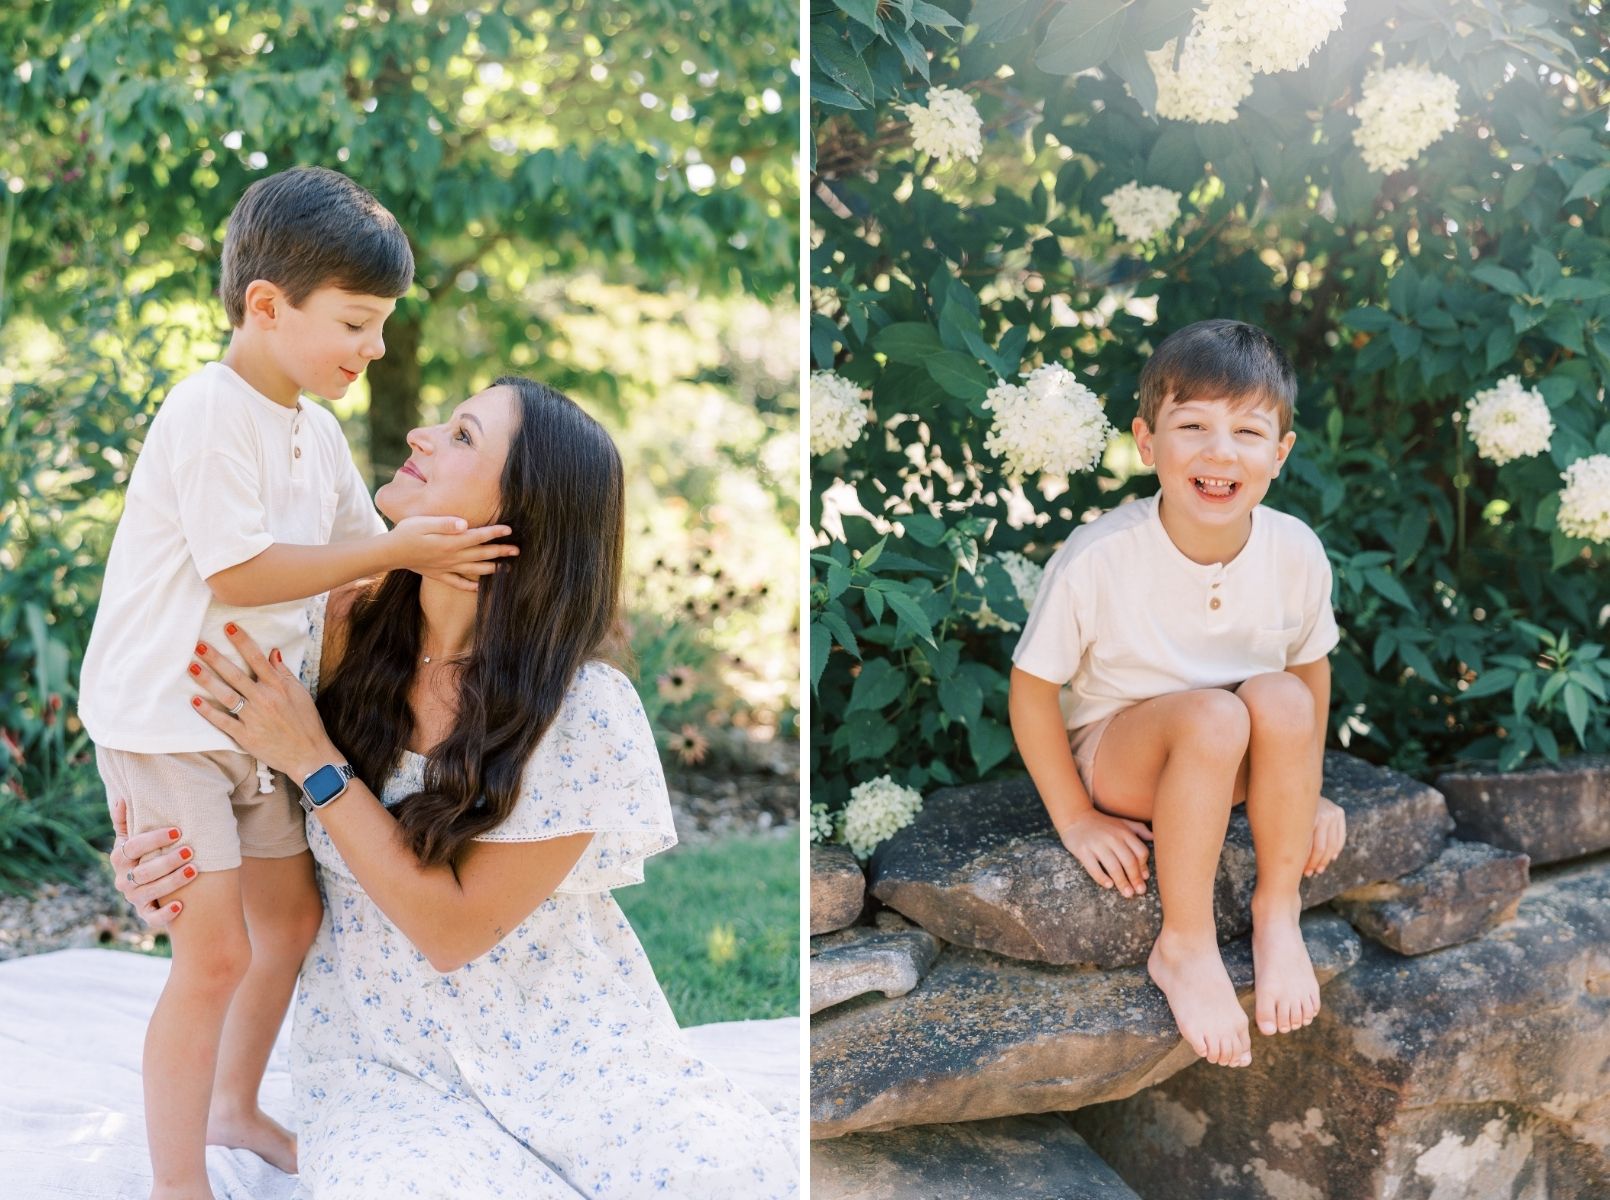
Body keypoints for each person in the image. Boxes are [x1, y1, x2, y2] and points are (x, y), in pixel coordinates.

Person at [109, 376, 799, 1198]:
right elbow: (197, 777)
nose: (421, 437)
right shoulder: (323, 635)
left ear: (518, 519)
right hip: (386, 1065)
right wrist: (159, 863)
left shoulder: (584, 712)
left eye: (464, 437)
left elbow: (454, 928)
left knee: (730, 1181)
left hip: (577, 1048)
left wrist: (316, 763)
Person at [77, 165, 518, 1199]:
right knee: (213, 955)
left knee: (292, 922)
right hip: (168, 721)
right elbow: (242, 571)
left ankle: (234, 1103)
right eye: (356, 324)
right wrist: (400, 550)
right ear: (267, 307)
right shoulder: (206, 411)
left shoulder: (313, 430)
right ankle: (176, 1181)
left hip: (256, 719)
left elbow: (365, 558)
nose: (371, 350)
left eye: (381, 327)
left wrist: (441, 550)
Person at [1007, 319, 1347, 1072]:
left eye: (1248, 432)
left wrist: (1303, 790)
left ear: (1280, 454)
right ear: (1147, 442)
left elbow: (1312, 672)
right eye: (1191, 425)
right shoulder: (1102, 556)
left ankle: (1277, 910)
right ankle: (1184, 947)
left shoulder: (1294, 551)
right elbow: (1031, 691)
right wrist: (1075, 817)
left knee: (1283, 698)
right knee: (1217, 711)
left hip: (1235, 755)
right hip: (1130, 758)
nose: (1220, 451)